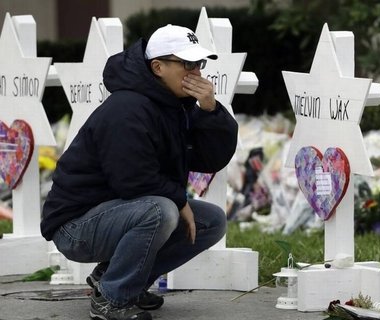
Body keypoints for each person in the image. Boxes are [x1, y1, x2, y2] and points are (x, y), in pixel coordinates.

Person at [41, 24, 238, 320]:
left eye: (199, 63)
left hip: (118, 211)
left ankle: (116, 280)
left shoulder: (174, 105)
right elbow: (132, 179)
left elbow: (209, 159)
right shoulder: (127, 107)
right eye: (187, 63)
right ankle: (111, 299)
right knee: (161, 211)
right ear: (158, 67)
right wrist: (180, 201)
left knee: (211, 221)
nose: (196, 71)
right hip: (76, 226)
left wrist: (210, 110)